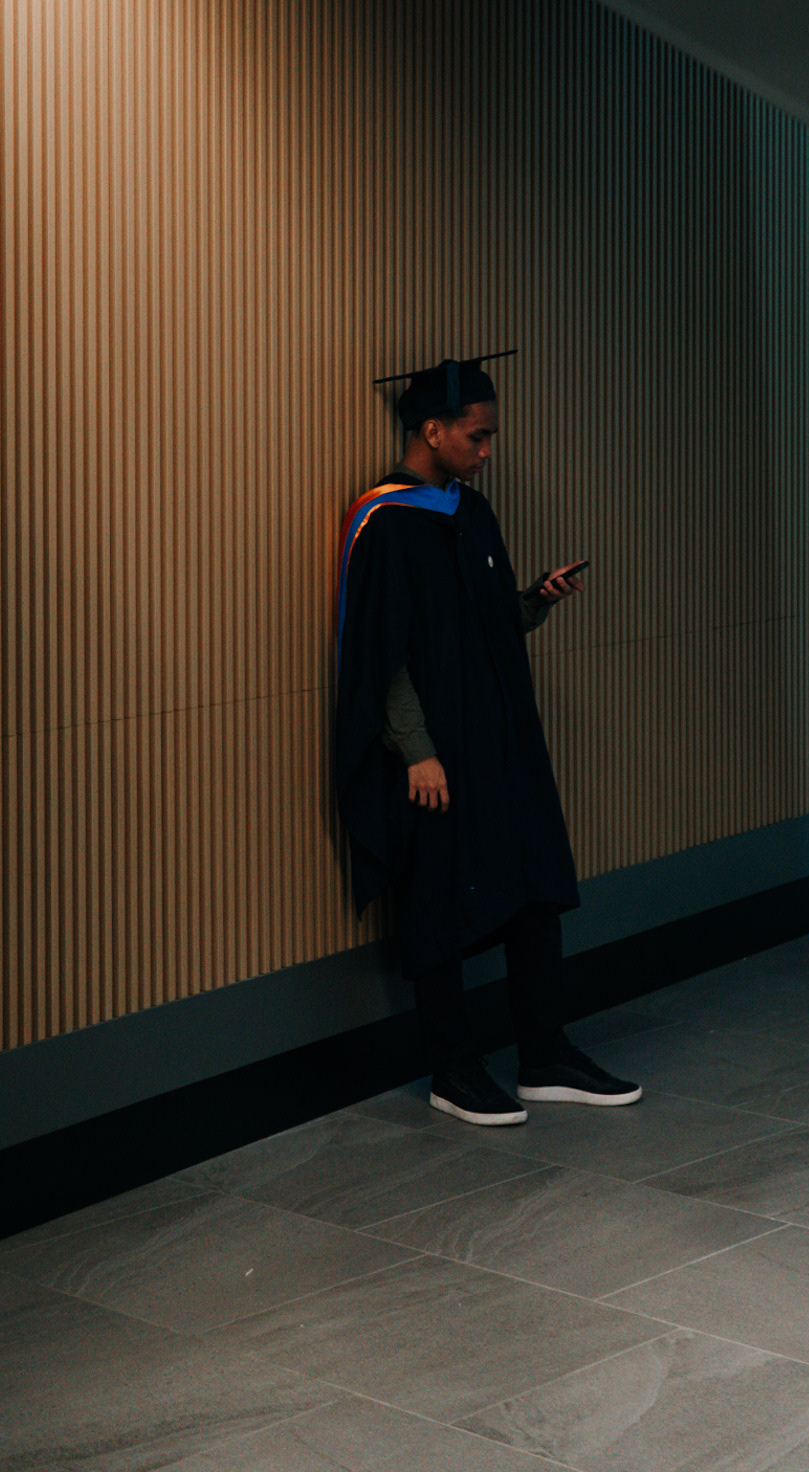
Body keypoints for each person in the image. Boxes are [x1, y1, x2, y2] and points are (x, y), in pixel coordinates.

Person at [335, 353, 641, 1126]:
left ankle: (545, 1055)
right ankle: (452, 1070)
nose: (487, 451)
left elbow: (484, 623)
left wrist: (536, 599)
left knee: (535, 885)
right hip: (437, 752)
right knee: (439, 900)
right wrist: (417, 751)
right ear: (431, 430)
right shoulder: (384, 522)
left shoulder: (469, 512)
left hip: (501, 736)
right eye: (477, 436)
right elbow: (380, 653)